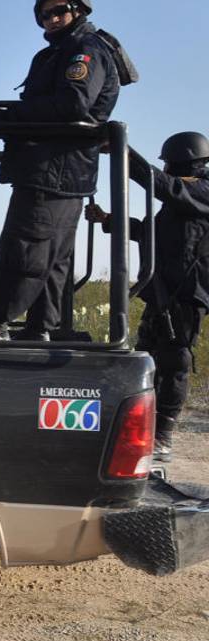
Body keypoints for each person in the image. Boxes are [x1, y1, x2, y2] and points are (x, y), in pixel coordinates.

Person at [0, 0, 122, 340]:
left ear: (78, 10)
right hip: (59, 170)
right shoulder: (58, 52)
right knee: (52, 259)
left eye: (59, 11)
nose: (51, 19)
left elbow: (73, 104)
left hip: (54, 169)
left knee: (25, 249)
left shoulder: (84, 49)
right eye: (43, 15)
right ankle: (39, 329)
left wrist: (9, 117)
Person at [86, 132, 209, 460]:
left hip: (186, 295)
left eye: (168, 163)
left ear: (183, 162)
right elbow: (148, 233)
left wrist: (125, 154)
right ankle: (141, 427)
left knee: (175, 362)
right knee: (148, 356)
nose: (165, 169)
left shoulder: (202, 191)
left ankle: (163, 435)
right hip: (162, 294)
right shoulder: (180, 202)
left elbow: (166, 186)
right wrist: (109, 220)